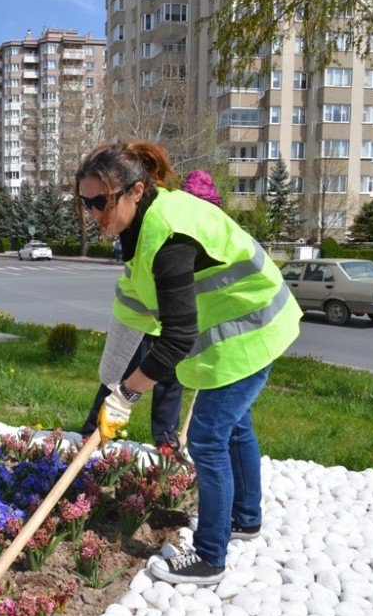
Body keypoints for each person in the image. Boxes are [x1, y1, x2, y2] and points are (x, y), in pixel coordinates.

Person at [76, 142, 301, 586]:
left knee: (208, 438)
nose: (91, 213)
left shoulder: (167, 238)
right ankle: (247, 518)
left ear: (135, 191)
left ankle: (210, 559)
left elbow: (175, 338)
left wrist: (129, 394)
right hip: (243, 331)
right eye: (85, 202)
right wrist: (104, 397)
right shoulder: (137, 232)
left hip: (254, 329)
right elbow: (130, 315)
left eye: (100, 202)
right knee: (236, 427)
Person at [81, 170, 224, 452]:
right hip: (138, 315)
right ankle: (94, 431)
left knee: (169, 376)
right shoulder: (167, 232)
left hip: (171, 321)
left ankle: (165, 437)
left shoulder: (198, 234)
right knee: (121, 373)